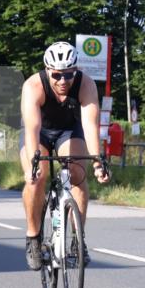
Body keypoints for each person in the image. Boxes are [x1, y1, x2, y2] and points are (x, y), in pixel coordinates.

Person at [20, 42, 109, 270]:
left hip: (69, 131)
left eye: (68, 74)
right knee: (37, 177)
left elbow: (90, 125)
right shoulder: (33, 86)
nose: (62, 81)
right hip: (39, 133)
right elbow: (32, 128)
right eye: (57, 75)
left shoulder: (85, 84)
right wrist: (34, 162)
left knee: (78, 173)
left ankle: (78, 240)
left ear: (75, 70)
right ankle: (33, 238)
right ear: (48, 70)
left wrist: (98, 162)